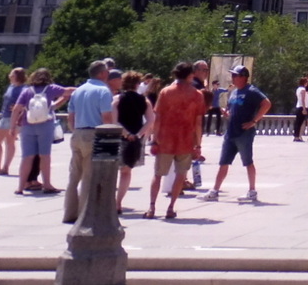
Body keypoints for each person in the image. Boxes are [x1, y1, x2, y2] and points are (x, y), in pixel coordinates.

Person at [202, 65, 271, 204]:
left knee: (248, 161)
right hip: (230, 132)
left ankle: (252, 191)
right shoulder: (233, 92)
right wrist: (227, 114)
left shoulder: (252, 91)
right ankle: (215, 190)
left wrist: (254, 121)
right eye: (232, 75)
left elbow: (266, 104)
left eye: (235, 75)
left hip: (244, 133)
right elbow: (232, 108)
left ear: (244, 77)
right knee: (223, 162)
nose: (233, 78)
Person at [147, 62, 205, 220]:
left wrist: (154, 140)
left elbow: (157, 119)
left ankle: (152, 207)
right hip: (185, 140)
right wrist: (198, 144)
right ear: (190, 75)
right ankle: (171, 207)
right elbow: (198, 123)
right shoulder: (197, 95)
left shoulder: (165, 92)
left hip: (165, 139)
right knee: (180, 175)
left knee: (158, 174)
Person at [64, 61, 115, 224]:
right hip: (95, 133)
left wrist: (76, 131)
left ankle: (69, 212)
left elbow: (70, 117)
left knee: (74, 176)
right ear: (101, 74)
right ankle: (84, 214)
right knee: (89, 176)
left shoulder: (78, 91)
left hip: (78, 132)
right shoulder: (103, 91)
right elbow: (106, 117)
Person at [12, 69, 65, 195]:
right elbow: (68, 91)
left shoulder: (27, 91)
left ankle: (20, 187)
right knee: (44, 156)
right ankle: (47, 184)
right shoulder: (51, 88)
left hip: (27, 125)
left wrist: (12, 127)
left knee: (27, 157)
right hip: (45, 125)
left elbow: (16, 109)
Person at [114, 71, 152, 214]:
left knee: (112, 171)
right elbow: (150, 120)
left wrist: (125, 133)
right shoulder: (144, 100)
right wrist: (138, 134)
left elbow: (114, 120)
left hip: (118, 138)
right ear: (137, 84)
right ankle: (118, 203)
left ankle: (111, 201)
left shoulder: (117, 99)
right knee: (126, 172)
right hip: (136, 139)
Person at [0, 69, 26, 177]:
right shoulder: (11, 87)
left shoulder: (23, 88)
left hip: (12, 118)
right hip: (4, 116)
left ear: (17, 76)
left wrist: (20, 109)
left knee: (6, 142)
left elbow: (27, 102)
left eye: (11, 73)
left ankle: (4, 167)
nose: (9, 75)